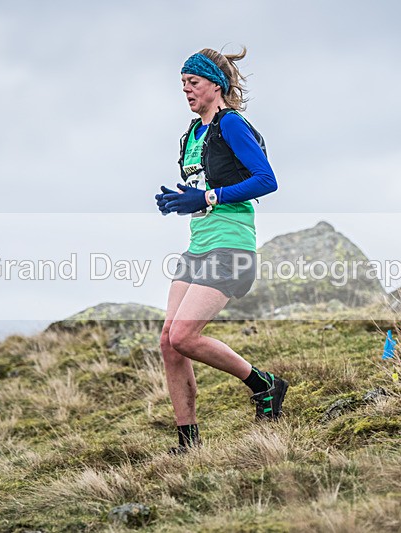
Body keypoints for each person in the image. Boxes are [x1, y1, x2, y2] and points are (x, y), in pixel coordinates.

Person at [155, 47, 288, 454]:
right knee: (168, 341)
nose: (186, 91)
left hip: (231, 247)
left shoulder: (231, 125)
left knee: (185, 335)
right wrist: (183, 200)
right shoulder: (190, 135)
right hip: (199, 245)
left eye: (192, 83)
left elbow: (266, 180)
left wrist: (209, 196)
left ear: (215, 84)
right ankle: (188, 442)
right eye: (182, 85)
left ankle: (264, 385)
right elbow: (204, 192)